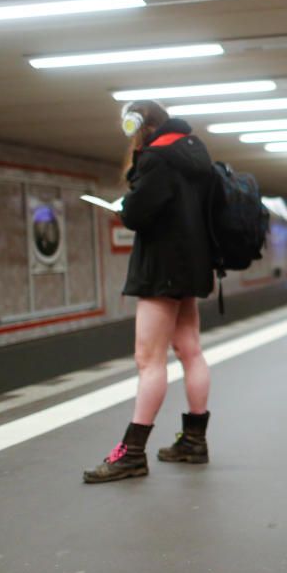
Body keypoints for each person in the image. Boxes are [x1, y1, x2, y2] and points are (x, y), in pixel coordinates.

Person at [84, 100, 216, 484]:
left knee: (148, 358)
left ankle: (132, 453)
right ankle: (194, 441)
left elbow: (139, 214)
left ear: (139, 125)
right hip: (193, 265)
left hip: (162, 269)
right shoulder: (196, 155)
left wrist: (123, 208)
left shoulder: (157, 158)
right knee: (190, 350)